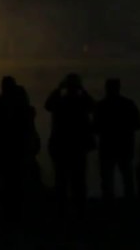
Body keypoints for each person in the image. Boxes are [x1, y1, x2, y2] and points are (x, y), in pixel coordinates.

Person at [45, 73, 94, 208]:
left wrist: (58, 89)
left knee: (62, 180)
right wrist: (83, 90)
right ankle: (78, 207)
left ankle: (63, 208)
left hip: (62, 145)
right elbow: (93, 106)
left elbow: (48, 105)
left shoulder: (61, 102)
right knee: (78, 180)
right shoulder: (81, 101)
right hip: (77, 146)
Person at [93, 78, 140, 201]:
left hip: (107, 146)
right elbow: (137, 125)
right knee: (127, 176)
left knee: (107, 178)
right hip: (124, 146)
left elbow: (95, 128)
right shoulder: (128, 104)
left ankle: (109, 202)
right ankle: (129, 201)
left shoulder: (101, 105)